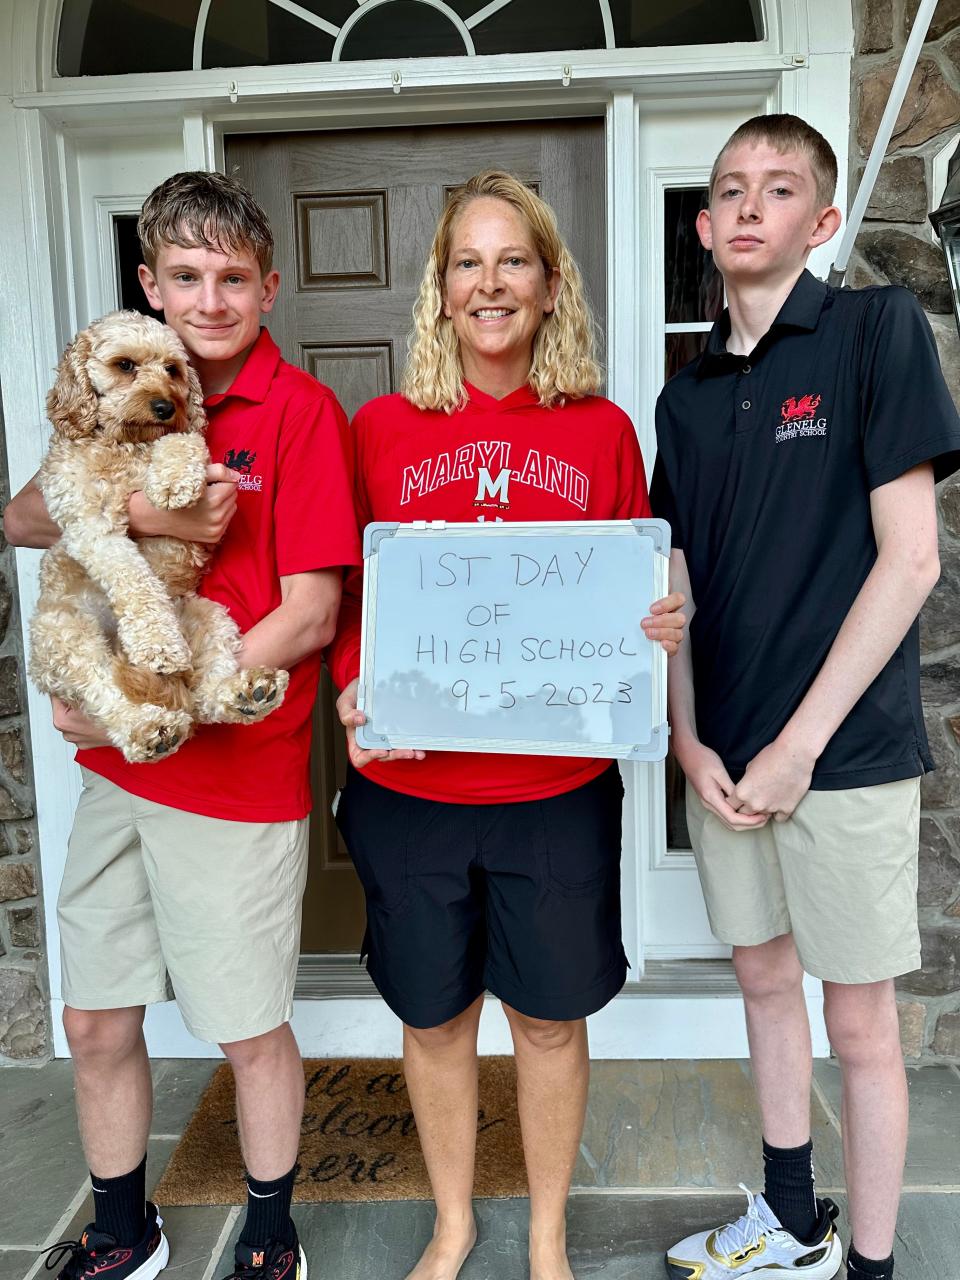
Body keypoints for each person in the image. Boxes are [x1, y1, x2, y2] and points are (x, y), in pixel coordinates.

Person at [326, 170, 686, 1280]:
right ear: (440, 291)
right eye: (468, 263)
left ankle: (542, 1233)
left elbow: (630, 582)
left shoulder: (602, 430)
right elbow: (351, 595)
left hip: (553, 794)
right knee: (435, 1021)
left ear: (548, 285)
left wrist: (659, 617)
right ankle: (452, 1221)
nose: (490, 282)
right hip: (413, 791)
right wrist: (352, 687)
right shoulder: (379, 427)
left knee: (547, 1022)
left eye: (513, 260)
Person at [4, 171, 361, 1280]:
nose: (210, 301)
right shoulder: (109, 398)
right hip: (119, 774)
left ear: (270, 286)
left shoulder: (298, 412)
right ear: (151, 285)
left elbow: (309, 615)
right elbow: (22, 513)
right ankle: (125, 1223)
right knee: (98, 1016)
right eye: (187, 278)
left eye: (233, 279)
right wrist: (151, 509)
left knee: (247, 1025)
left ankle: (269, 1226)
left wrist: (153, 705)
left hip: (235, 770)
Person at [652, 115, 960, 1280]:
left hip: (843, 758)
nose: (747, 206)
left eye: (778, 190)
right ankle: (792, 1223)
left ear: (820, 223)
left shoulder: (875, 332)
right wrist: (688, 738)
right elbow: (670, 589)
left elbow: (912, 559)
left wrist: (797, 746)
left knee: (862, 1024)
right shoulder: (686, 397)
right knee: (765, 983)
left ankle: (871, 1264)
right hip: (728, 761)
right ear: (702, 224)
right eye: (729, 189)